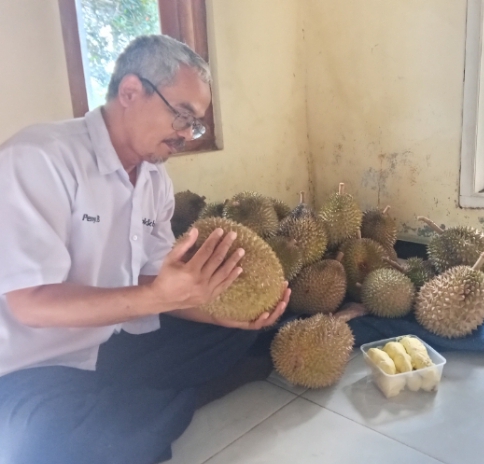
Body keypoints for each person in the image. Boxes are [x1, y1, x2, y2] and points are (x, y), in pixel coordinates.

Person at [0, 34, 289, 464]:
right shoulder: (39, 158)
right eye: (182, 116)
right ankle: (160, 402)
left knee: (241, 331)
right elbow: (29, 304)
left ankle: (148, 400)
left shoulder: (154, 181)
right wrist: (156, 297)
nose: (187, 136)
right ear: (131, 92)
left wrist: (227, 313)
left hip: (115, 341)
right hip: (30, 366)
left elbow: (159, 284)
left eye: (195, 125)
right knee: (62, 446)